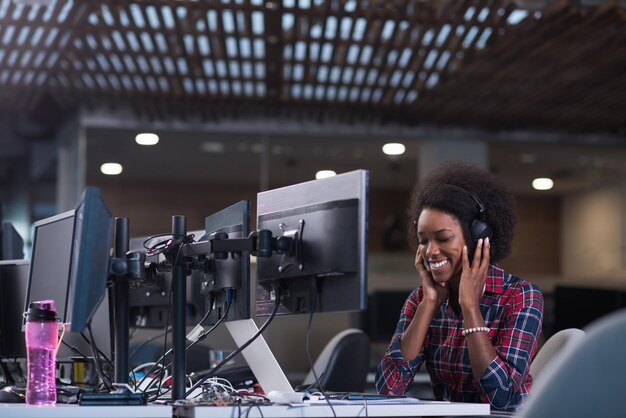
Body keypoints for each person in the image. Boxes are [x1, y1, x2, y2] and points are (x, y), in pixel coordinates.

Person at [375, 161, 544, 412]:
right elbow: (389, 389)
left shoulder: (521, 297)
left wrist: (469, 306)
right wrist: (429, 304)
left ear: (478, 237)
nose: (430, 251)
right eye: (423, 241)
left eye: (442, 238)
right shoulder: (421, 299)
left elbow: (502, 399)